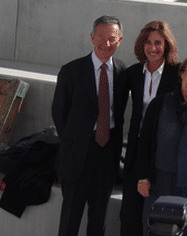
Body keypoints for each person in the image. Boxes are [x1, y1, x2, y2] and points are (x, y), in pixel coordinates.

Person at [52, 15, 127, 236]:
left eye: (112, 39)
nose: (106, 44)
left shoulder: (123, 72)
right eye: (101, 38)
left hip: (107, 155)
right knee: (70, 219)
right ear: (92, 37)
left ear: (120, 40)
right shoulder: (71, 71)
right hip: (77, 156)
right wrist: (75, 142)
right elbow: (59, 113)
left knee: (98, 218)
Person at [136, 55, 187, 236]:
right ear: (181, 74)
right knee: (156, 229)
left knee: (186, 229)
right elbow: (145, 143)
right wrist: (143, 178)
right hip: (160, 181)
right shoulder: (159, 103)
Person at [119, 21, 180, 236]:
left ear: (167, 45)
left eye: (158, 43)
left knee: (158, 216)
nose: (152, 48)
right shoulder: (133, 73)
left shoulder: (178, 74)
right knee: (129, 214)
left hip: (163, 153)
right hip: (135, 151)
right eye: (148, 42)